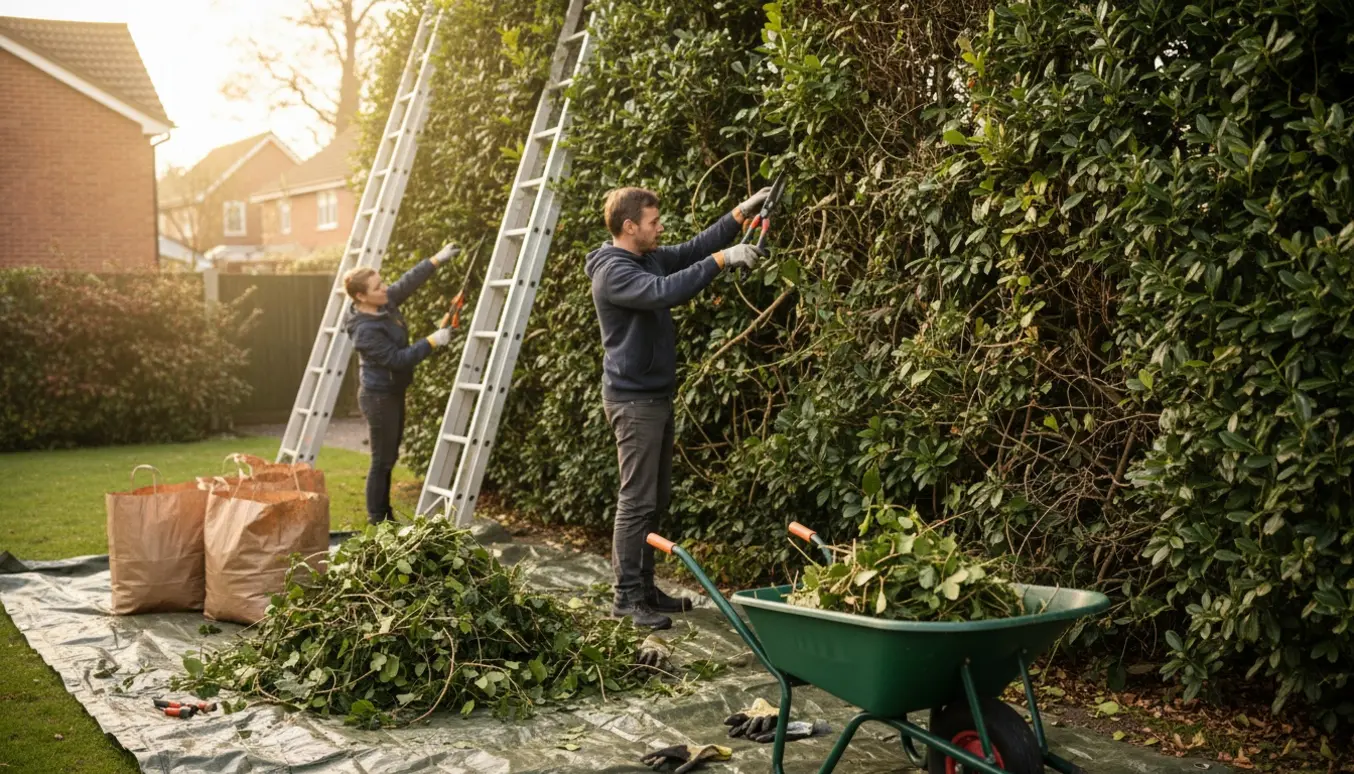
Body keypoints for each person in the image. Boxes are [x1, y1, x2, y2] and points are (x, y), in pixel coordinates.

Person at [585, 185, 772, 629]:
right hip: (634, 402)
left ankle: (646, 588)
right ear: (629, 227)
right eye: (653, 222)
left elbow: (691, 251)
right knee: (636, 501)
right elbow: (663, 291)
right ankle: (626, 598)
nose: (661, 227)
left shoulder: (644, 256)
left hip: (654, 395)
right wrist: (724, 260)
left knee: (654, 500)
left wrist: (738, 214)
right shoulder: (614, 272)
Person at [343, 244, 458, 525]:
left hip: (392, 392)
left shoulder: (382, 303)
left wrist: (435, 260)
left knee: (389, 457)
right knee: (382, 460)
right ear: (361, 296)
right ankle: (377, 518)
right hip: (378, 397)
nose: (385, 288)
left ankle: (384, 516)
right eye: (377, 287)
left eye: (382, 282)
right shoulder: (365, 331)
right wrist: (432, 341)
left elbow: (407, 283)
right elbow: (397, 360)